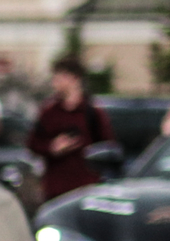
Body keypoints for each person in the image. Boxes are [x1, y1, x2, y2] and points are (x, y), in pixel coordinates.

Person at [27, 58, 113, 202]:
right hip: (55, 190)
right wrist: (52, 147)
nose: (54, 82)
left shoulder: (92, 112)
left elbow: (107, 146)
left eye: (59, 77)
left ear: (74, 78)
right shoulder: (49, 112)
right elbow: (32, 143)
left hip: (86, 189)